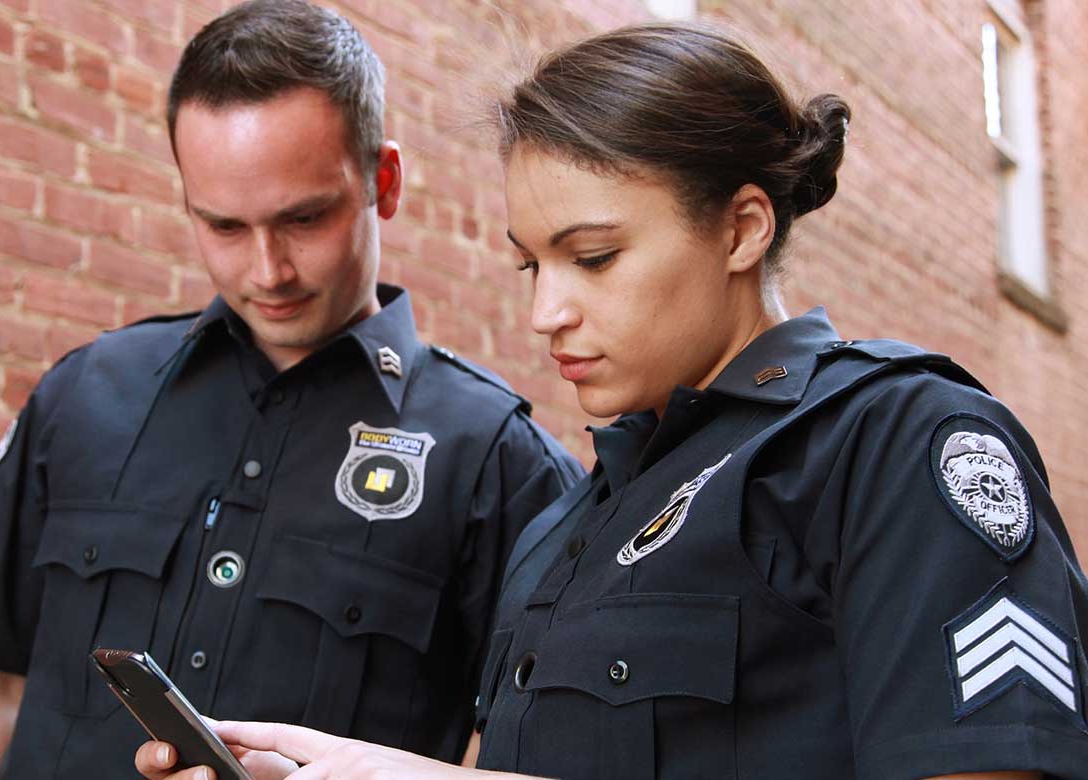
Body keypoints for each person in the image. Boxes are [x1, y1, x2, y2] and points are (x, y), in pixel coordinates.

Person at [136, 21, 1088, 780]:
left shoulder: (893, 445)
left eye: (593, 258)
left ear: (742, 229)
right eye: (530, 264)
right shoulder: (567, 522)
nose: (545, 312)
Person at [0, 1, 582, 778]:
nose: (268, 271)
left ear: (382, 181)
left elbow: (516, 754)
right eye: (223, 226)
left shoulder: (500, 465)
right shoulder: (86, 392)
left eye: (304, 219)